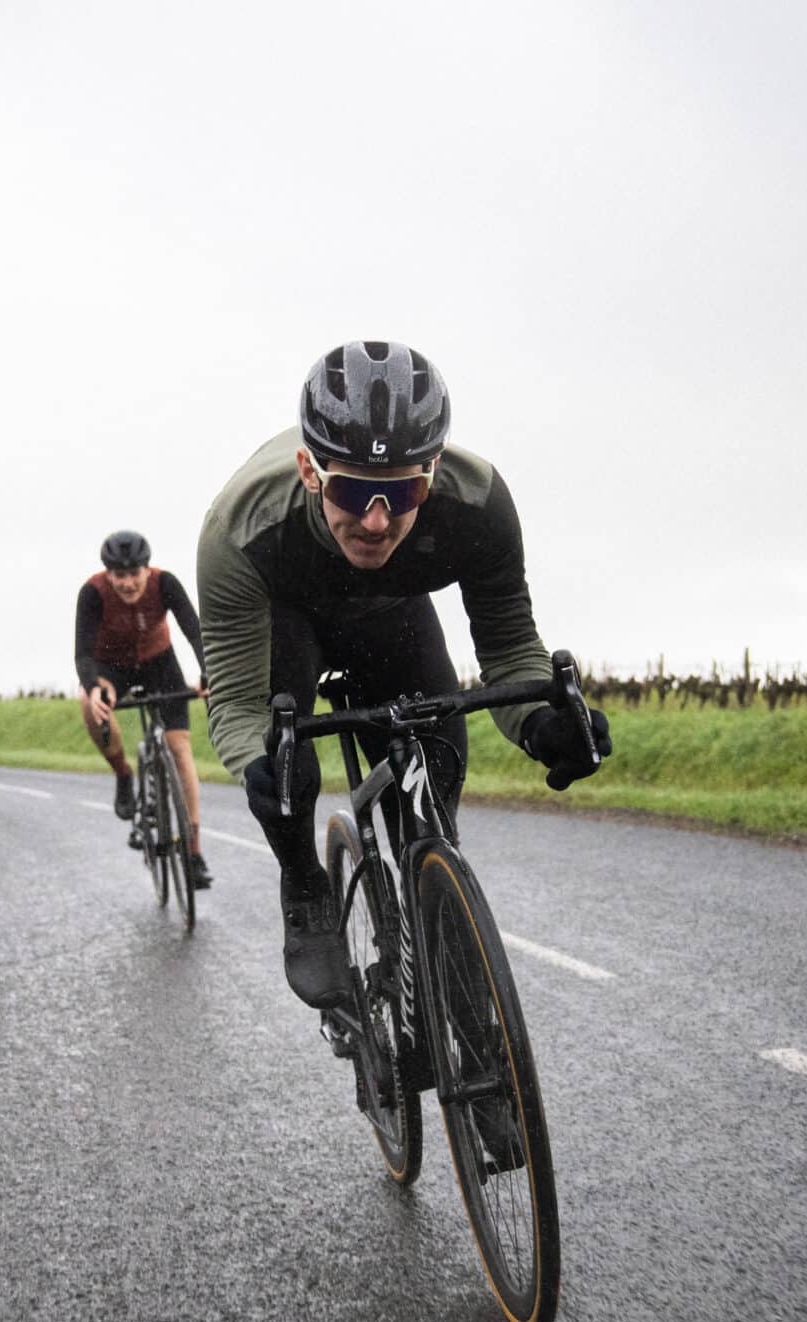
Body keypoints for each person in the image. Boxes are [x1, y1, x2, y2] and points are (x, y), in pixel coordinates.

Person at [197, 341, 610, 1007]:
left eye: (403, 492)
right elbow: (241, 706)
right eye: (353, 491)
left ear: (434, 471)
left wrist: (540, 724)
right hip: (287, 616)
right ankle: (305, 883)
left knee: (436, 777)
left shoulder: (478, 503)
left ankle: (432, 920)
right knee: (283, 773)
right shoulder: (241, 531)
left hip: (391, 617)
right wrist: (259, 761)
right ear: (308, 470)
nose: (376, 520)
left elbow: (510, 649)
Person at [75, 530, 213, 890]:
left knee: (179, 749)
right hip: (110, 668)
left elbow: (194, 631)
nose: (128, 583)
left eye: (134, 573)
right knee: (88, 704)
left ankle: (194, 851)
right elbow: (83, 654)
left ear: (146, 569)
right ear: (108, 574)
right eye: (119, 575)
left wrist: (207, 671)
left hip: (158, 663)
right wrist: (94, 689)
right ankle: (123, 774)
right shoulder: (92, 593)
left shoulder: (164, 583)